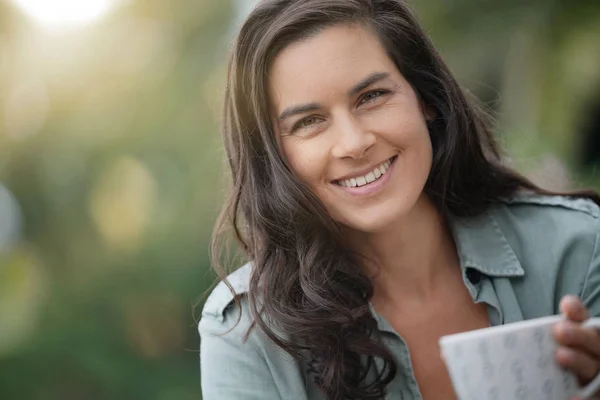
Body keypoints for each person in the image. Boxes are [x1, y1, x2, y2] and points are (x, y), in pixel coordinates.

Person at [199, 1, 600, 399]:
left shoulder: (579, 247)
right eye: (309, 122)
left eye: (371, 96)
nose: (354, 143)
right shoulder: (245, 334)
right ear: (274, 155)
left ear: (424, 96)